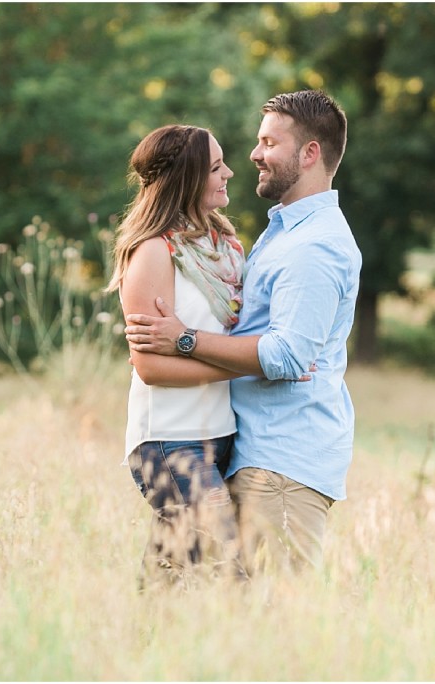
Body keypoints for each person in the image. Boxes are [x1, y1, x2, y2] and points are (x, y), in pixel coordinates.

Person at [124, 90, 362, 576]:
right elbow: (157, 360)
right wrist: (234, 358)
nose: (250, 157)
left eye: (268, 142)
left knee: (259, 609)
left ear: (310, 153)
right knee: (202, 588)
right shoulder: (280, 233)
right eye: (217, 165)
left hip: (282, 460)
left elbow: (286, 357)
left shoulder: (311, 246)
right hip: (217, 445)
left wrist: (186, 340)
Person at [106, 124, 248, 588]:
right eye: (214, 167)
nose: (229, 172)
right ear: (186, 179)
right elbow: (149, 367)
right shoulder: (152, 252)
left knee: (174, 570)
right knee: (228, 568)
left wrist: (207, 347)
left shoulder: (227, 249)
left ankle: (145, 644)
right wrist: (237, 360)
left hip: (222, 435)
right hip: (169, 439)